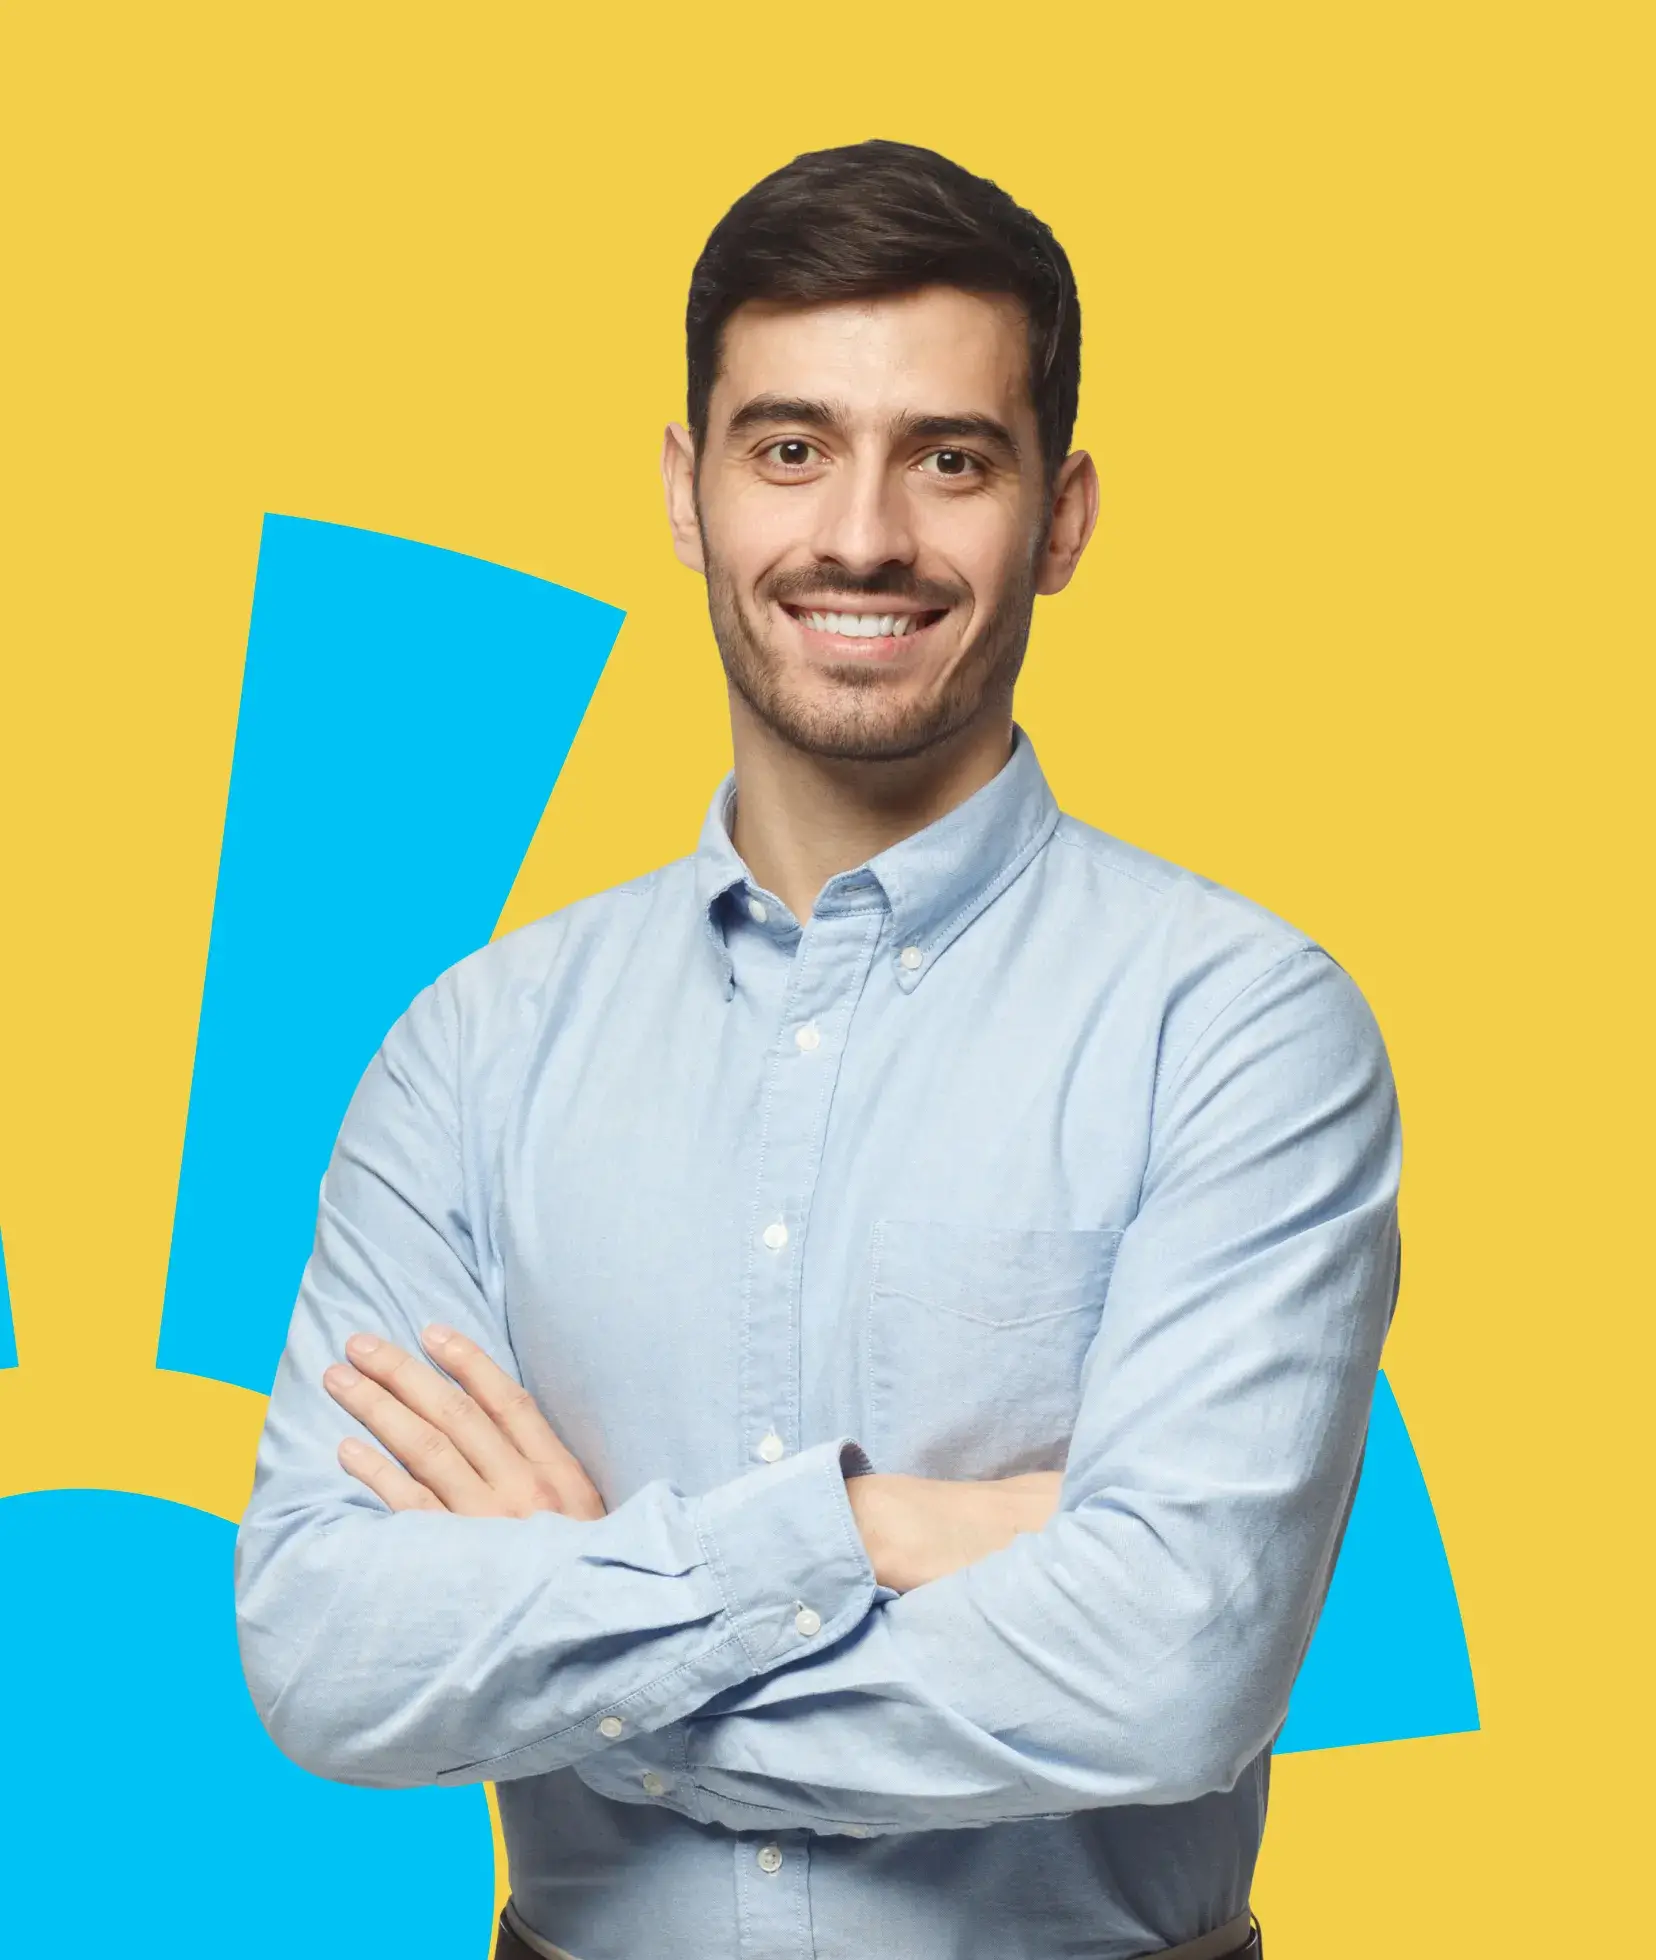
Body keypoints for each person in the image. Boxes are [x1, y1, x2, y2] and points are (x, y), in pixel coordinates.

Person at [235, 139, 1400, 1960]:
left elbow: (1178, 1662)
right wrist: (870, 1533)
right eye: (791, 449)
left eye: (951, 459)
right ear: (690, 492)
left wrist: (585, 1628)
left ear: (1064, 516)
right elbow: (325, 1646)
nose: (862, 534)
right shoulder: (473, 1051)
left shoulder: (1238, 1029)